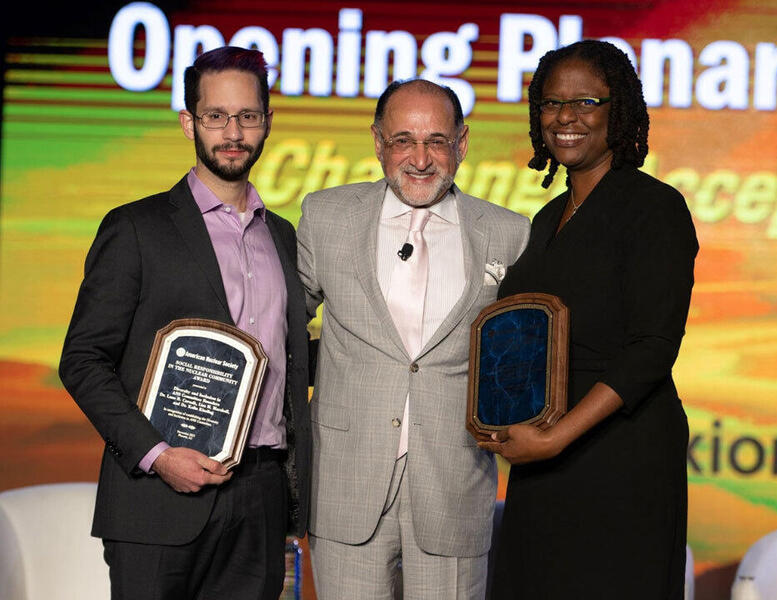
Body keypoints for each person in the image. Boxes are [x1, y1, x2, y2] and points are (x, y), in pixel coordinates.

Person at [59, 46, 310, 600]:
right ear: (188, 122)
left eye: (247, 116)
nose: (232, 131)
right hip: (158, 500)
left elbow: (294, 362)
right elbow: (82, 360)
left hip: (261, 498)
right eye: (216, 115)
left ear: (267, 123)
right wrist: (156, 454)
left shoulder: (286, 238)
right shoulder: (136, 228)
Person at [480, 40, 698, 599]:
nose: (566, 118)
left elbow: (651, 347)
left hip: (619, 455)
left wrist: (557, 439)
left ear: (617, 111)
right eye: (552, 104)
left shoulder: (655, 208)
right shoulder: (549, 217)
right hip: (544, 456)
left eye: (586, 102)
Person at [297, 79, 530, 599]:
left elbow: (519, 360)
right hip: (346, 482)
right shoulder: (326, 216)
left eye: (437, 141)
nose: (421, 159)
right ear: (379, 142)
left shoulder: (508, 233)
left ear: (462, 143)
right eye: (404, 140)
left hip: (453, 484)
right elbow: (282, 326)